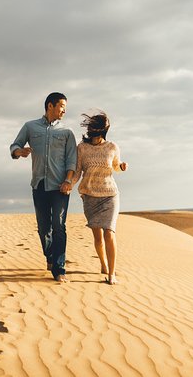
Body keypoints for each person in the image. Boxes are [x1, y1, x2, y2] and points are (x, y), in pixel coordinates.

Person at [10, 92, 77, 283]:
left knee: (59, 225)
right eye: (62, 105)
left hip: (60, 186)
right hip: (39, 184)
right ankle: (49, 256)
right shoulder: (30, 127)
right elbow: (14, 145)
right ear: (50, 106)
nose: (64, 110)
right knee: (43, 227)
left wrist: (68, 181)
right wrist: (19, 152)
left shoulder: (67, 132)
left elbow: (72, 159)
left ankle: (59, 268)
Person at [71, 111, 127, 285]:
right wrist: (69, 184)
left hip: (110, 195)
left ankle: (111, 273)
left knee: (109, 232)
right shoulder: (82, 148)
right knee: (97, 237)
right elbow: (78, 171)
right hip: (90, 196)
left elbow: (116, 166)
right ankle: (103, 264)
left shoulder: (112, 147)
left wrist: (122, 167)